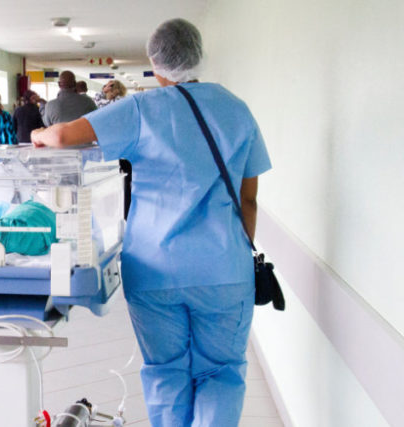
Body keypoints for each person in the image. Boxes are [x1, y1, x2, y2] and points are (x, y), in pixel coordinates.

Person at [32, 18, 272, 427]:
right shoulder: (237, 109)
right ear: (199, 56)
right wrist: (232, 251)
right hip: (224, 269)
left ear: (156, 64)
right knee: (222, 372)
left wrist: (38, 132)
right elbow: (248, 199)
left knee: (165, 371)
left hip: (154, 269)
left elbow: (62, 138)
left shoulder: (142, 109)